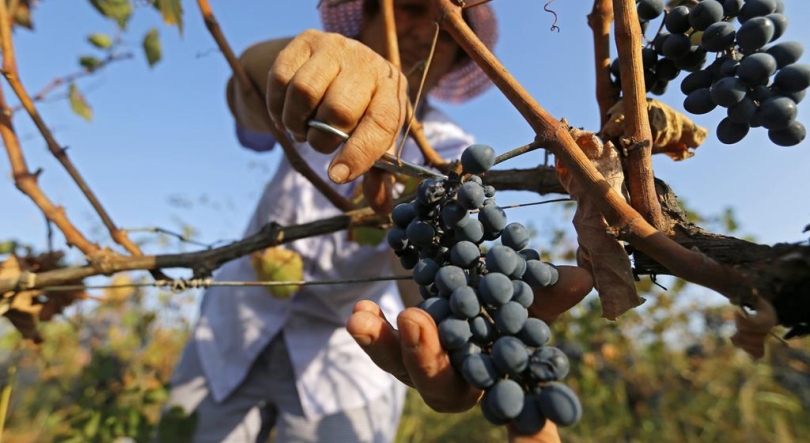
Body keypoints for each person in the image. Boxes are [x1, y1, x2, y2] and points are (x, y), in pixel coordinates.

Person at [158, 1, 504, 442]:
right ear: (370, 18)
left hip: (345, 366)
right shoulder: (314, 100)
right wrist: (310, 61)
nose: (424, 33)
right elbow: (246, 90)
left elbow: (428, 258)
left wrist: (453, 324)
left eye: (446, 32)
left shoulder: (448, 150)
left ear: (455, 59)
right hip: (229, 336)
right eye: (413, 9)